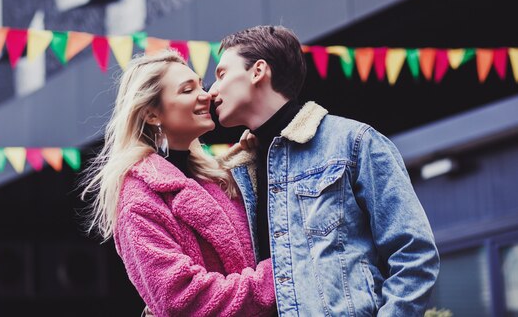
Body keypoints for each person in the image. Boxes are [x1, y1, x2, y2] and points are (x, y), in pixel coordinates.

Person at [208, 25, 440, 316]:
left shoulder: (354, 142)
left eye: (221, 74)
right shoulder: (238, 174)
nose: (212, 90)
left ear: (258, 71)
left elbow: (414, 253)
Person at [81, 50, 276, 317]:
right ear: (151, 115)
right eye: (187, 90)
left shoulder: (217, 177)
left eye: (201, 85)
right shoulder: (139, 198)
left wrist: (257, 163)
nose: (206, 95)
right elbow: (181, 299)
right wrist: (280, 278)